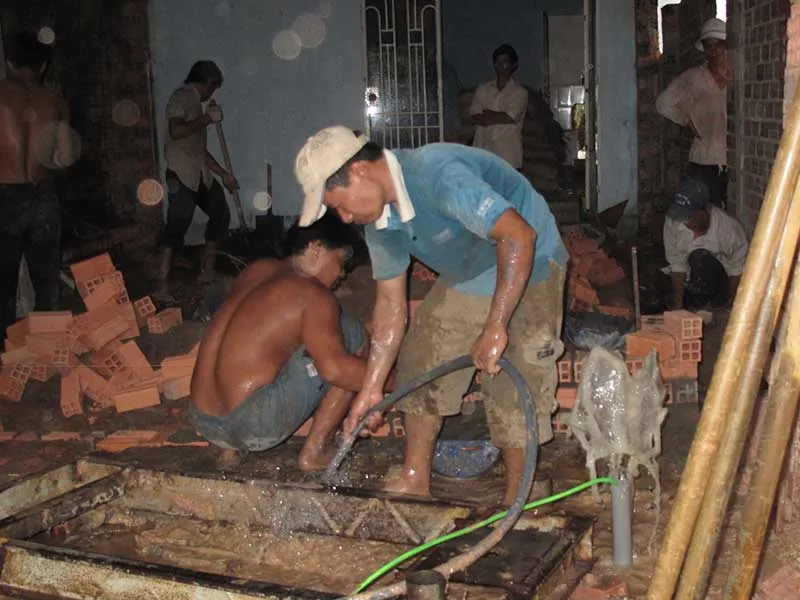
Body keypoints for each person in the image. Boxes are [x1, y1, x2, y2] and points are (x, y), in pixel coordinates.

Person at [294, 126, 568, 506]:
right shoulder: (379, 222)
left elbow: (518, 236)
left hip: (531, 261)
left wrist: (495, 326)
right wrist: (370, 390)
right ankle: (414, 478)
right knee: (422, 358)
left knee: (512, 377)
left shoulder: (436, 173)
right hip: (472, 270)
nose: (344, 216)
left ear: (359, 171)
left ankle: (519, 496)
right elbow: (390, 309)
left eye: (340, 205)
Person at [190, 214, 373, 471]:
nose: (342, 273)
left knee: (284, 341)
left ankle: (228, 452)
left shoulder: (257, 270)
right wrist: (393, 380)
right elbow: (335, 370)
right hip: (252, 425)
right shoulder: (313, 294)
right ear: (316, 248)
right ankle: (316, 452)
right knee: (351, 331)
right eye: (341, 261)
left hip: (203, 418)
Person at [0, 32, 72, 347]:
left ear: (9, 62)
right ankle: (48, 351)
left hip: (4, 195)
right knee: (46, 282)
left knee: (2, 284)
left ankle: (5, 355)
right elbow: (64, 157)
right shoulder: (55, 99)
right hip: (42, 194)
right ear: (42, 66)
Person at [156, 60, 239, 299]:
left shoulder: (195, 104)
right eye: (212, 87)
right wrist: (206, 120)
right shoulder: (181, 97)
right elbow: (176, 131)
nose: (212, 93)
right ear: (205, 82)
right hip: (181, 174)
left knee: (220, 214)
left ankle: (207, 272)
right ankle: (161, 286)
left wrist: (223, 174)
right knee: (176, 227)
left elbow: (199, 151)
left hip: (199, 174)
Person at [656, 18, 730, 208]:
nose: (713, 52)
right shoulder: (694, 77)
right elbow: (663, 103)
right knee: (704, 212)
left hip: (731, 159)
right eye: (708, 46)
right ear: (703, 49)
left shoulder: (736, 75)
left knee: (727, 214)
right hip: (704, 159)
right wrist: (686, 120)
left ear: (726, 46)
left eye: (718, 45)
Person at [663, 177, 749, 311]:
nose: (684, 221)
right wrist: (678, 308)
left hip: (719, 285)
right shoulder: (673, 222)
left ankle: (711, 307)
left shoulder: (728, 229)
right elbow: (677, 264)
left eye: (688, 216)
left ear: (704, 211)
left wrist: (729, 306)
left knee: (700, 258)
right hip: (690, 282)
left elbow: (736, 269)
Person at [468, 44, 528, 170]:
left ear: (514, 65)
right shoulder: (483, 89)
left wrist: (487, 115)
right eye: (497, 62)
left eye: (505, 62)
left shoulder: (519, 93)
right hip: (483, 155)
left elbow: (510, 117)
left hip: (508, 158)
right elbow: (474, 116)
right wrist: (497, 116)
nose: (500, 66)